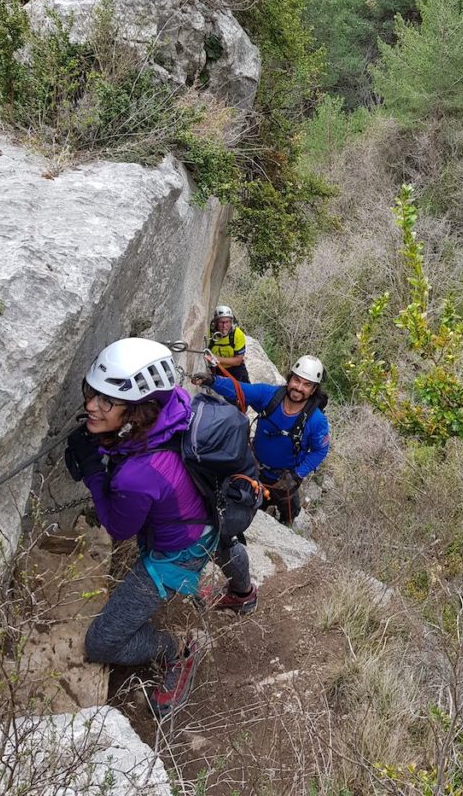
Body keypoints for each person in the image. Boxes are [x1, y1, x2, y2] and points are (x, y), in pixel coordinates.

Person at [64, 337, 257, 719]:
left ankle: (176, 652)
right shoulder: (176, 407)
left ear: (137, 412)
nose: (90, 406)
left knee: (101, 643)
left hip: (177, 553)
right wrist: (105, 435)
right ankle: (243, 592)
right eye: (92, 393)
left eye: (106, 401)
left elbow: (119, 527)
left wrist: (91, 471)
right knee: (223, 543)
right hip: (210, 511)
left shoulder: (136, 477)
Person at [207, 354, 330, 525]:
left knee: (288, 510)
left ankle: (287, 521)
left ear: (313, 390)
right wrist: (212, 381)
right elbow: (240, 390)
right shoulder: (269, 396)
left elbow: (320, 450)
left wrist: (297, 474)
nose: (299, 387)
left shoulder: (316, 421)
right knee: (252, 505)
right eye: (296, 380)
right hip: (255, 470)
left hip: (285, 479)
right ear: (290, 379)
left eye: (306, 385)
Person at [206, 304, 249, 383]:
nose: (224, 326)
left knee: (245, 393)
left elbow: (238, 361)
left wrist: (216, 358)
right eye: (221, 322)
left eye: (227, 322)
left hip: (235, 370)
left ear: (231, 321)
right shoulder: (209, 333)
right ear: (215, 322)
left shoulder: (237, 334)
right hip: (216, 369)